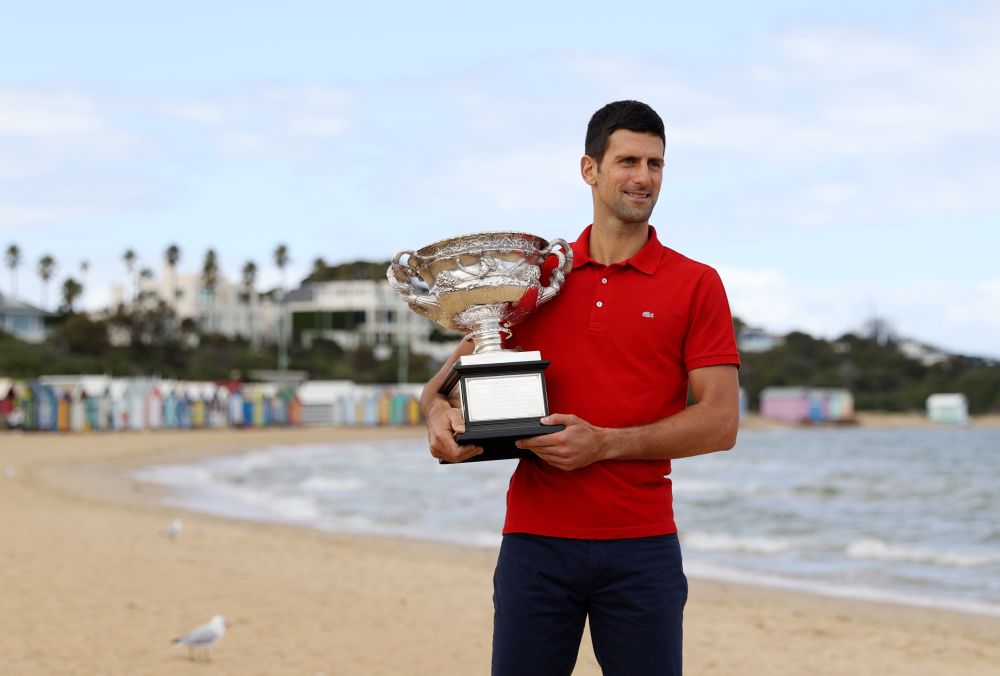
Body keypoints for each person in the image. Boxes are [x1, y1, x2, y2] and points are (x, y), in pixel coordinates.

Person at [420, 100, 742, 676]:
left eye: (656, 164)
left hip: (642, 547)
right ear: (589, 170)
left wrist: (605, 444)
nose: (643, 178)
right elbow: (442, 384)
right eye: (627, 161)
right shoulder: (537, 277)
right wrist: (435, 416)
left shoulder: (696, 284)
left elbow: (720, 422)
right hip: (535, 546)